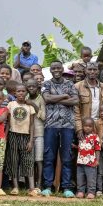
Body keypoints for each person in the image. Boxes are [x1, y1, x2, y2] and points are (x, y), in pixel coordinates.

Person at [41, 61, 79, 197]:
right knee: (49, 156)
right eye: (53, 68)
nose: (56, 70)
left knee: (67, 157)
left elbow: (75, 101)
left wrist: (54, 99)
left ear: (62, 69)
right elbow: (46, 98)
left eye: (58, 67)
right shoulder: (46, 84)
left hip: (67, 125)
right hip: (50, 125)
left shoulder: (70, 84)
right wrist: (64, 96)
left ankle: (67, 187)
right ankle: (47, 186)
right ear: (50, 70)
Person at [5, 84, 36, 195]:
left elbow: (32, 124)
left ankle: (32, 188)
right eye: (19, 91)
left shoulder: (30, 106)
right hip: (13, 134)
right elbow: (8, 122)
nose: (21, 93)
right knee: (13, 160)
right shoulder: (11, 104)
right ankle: (15, 187)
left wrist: (31, 140)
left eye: (23, 91)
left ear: (26, 93)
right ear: (15, 93)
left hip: (26, 136)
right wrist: (5, 136)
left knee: (28, 161)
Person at [76, 117, 101, 199]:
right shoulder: (81, 136)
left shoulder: (95, 136)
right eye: (86, 126)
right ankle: (80, 191)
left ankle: (91, 192)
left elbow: (97, 149)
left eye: (90, 126)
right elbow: (82, 146)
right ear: (82, 126)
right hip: (80, 162)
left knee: (91, 178)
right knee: (80, 177)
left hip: (91, 162)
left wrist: (97, 160)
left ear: (93, 127)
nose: (87, 127)